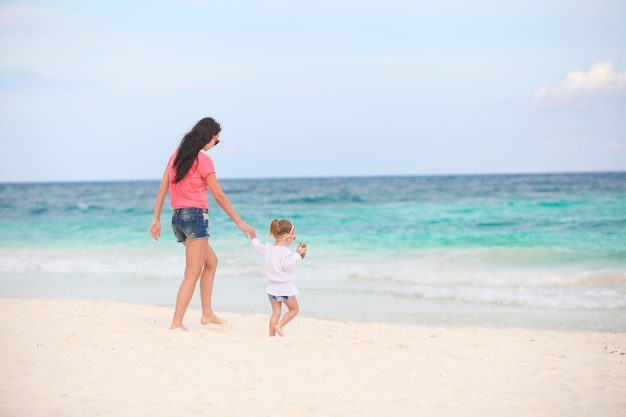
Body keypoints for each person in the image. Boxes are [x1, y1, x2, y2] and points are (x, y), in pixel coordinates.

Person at [149, 117, 256, 331]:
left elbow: (162, 189)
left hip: (177, 219)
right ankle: (176, 323)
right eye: (216, 141)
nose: (215, 145)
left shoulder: (175, 157)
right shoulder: (204, 160)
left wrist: (156, 219)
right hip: (195, 217)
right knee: (192, 274)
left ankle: (206, 313)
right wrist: (239, 221)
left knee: (212, 262)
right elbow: (218, 195)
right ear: (208, 137)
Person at [252, 219, 306, 336]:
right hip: (284, 287)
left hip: (271, 287)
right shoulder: (285, 251)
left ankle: (271, 336)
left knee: (276, 313)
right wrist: (298, 254)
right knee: (294, 310)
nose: (293, 239)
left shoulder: (268, 248)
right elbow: (288, 264)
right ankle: (279, 326)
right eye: (294, 237)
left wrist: (254, 238)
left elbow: (258, 247)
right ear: (288, 237)